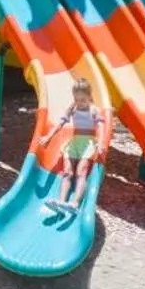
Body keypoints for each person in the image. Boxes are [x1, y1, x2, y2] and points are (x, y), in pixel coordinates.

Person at [37, 78, 102, 212]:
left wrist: (100, 142)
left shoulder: (94, 110)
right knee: (67, 172)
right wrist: (48, 136)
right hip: (74, 142)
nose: (80, 103)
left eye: (83, 100)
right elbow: (59, 124)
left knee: (81, 172)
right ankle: (61, 203)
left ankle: (75, 203)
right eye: (77, 99)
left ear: (89, 96)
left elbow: (101, 126)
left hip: (88, 143)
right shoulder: (72, 108)